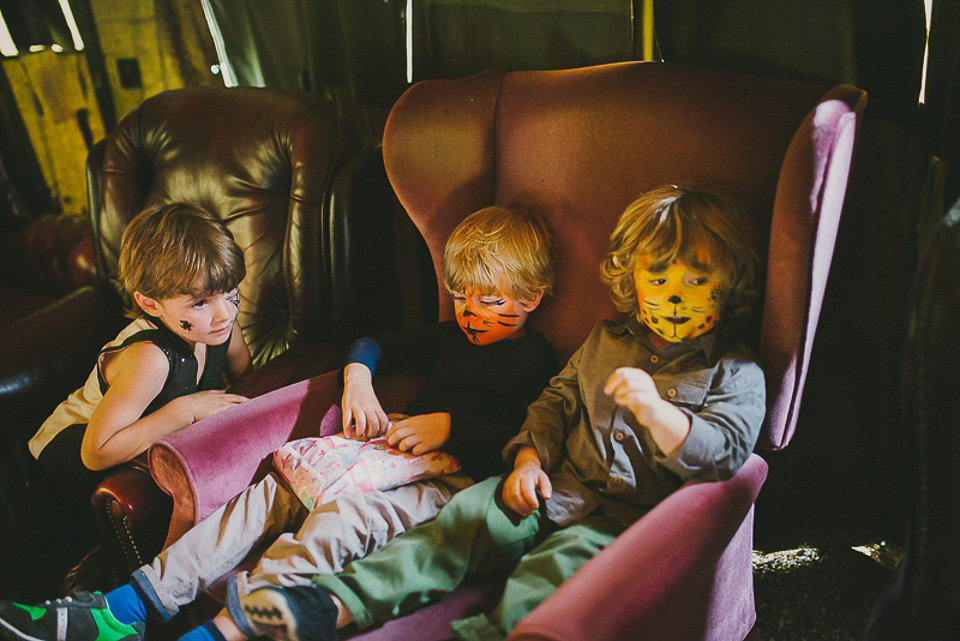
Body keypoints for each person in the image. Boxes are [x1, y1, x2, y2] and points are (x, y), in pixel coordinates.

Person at [0, 206, 558, 641]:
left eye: (490, 301)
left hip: (448, 476)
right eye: (461, 297)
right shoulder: (448, 337)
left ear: (532, 297)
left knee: (341, 520)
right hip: (386, 451)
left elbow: (522, 437)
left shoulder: (535, 361)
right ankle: (130, 606)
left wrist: (450, 426)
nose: (470, 313)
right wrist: (358, 380)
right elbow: (368, 343)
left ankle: (227, 628)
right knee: (271, 492)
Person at [238, 184, 769, 641]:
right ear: (634, 283)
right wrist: (528, 461)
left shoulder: (734, 372)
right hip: (550, 485)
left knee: (547, 575)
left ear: (728, 287)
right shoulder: (607, 340)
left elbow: (723, 455)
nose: (674, 299)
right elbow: (557, 402)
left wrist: (658, 412)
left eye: (695, 283)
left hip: (623, 518)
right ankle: (326, 606)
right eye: (659, 281)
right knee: (459, 525)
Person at [0, 203, 252, 601]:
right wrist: (184, 410)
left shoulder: (221, 321)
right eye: (200, 303)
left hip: (91, 476)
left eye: (230, 291)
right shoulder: (148, 357)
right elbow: (95, 452)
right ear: (152, 305)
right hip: (43, 481)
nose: (223, 312)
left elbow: (247, 381)